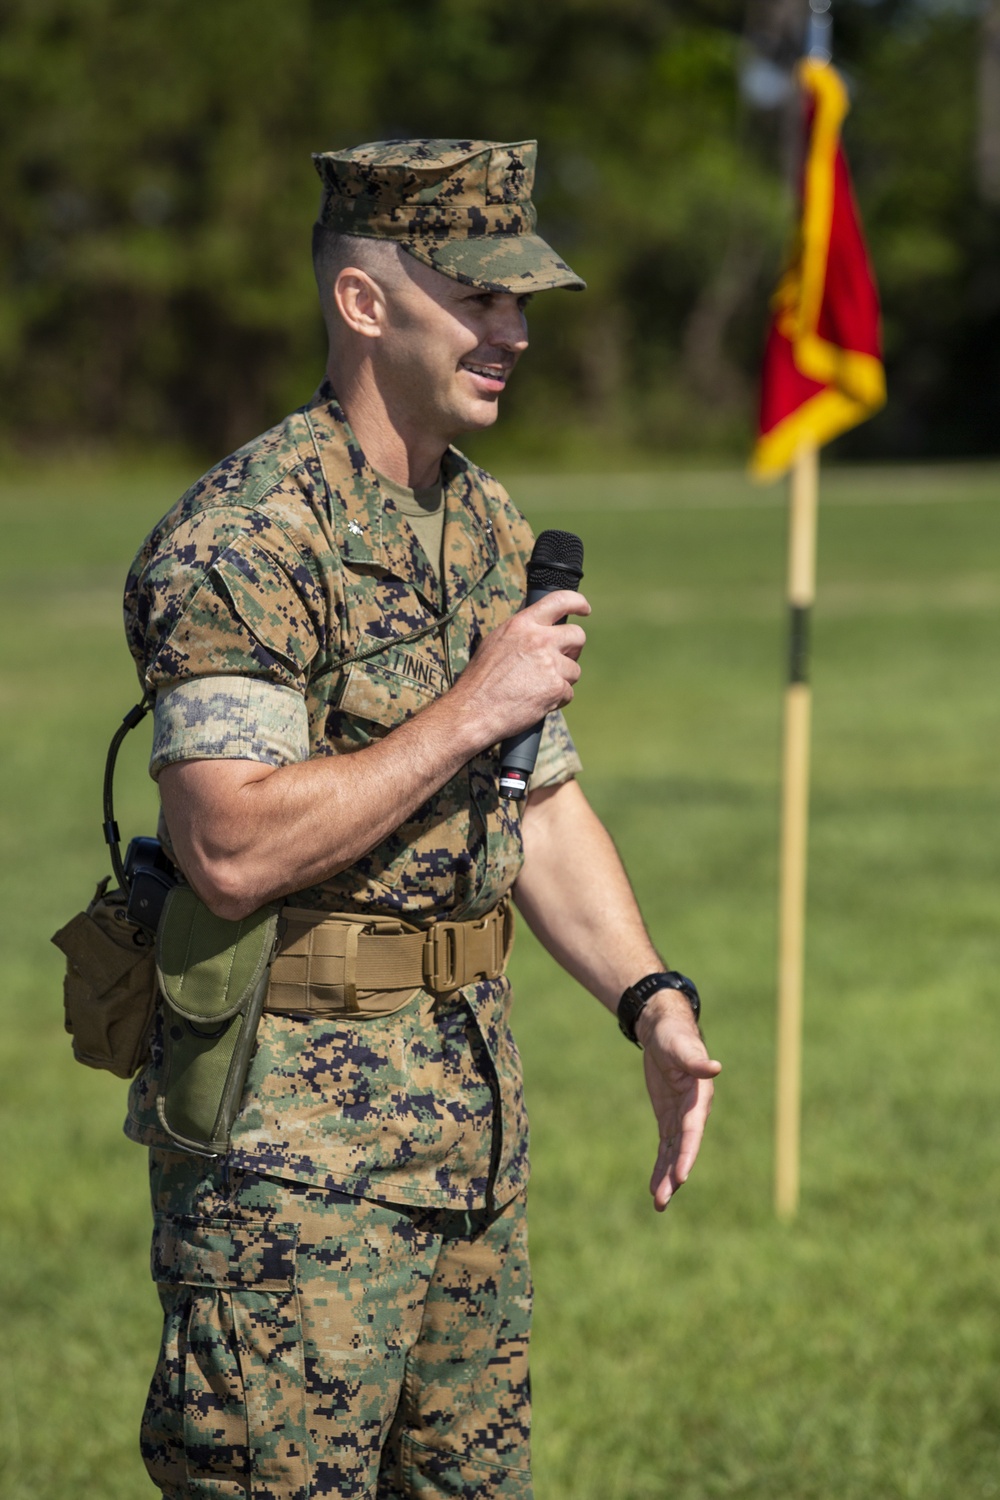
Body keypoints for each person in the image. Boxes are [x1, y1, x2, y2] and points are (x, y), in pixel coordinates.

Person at [122, 138, 721, 1500]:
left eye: (523, 302)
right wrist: (468, 704)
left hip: (468, 1139)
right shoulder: (248, 536)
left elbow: (542, 806)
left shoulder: (486, 525)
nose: (512, 330)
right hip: (291, 1172)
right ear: (365, 304)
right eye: (479, 296)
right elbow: (228, 846)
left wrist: (650, 998)